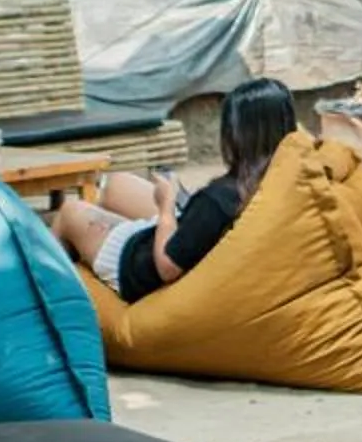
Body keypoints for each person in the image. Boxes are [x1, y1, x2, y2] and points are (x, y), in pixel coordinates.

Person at [50, 77, 292, 303]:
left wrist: (166, 205)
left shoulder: (218, 200)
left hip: (137, 266)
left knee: (70, 212)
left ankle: (52, 304)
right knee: (117, 184)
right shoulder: (286, 179)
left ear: (235, 134)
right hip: (188, 234)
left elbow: (167, 267)